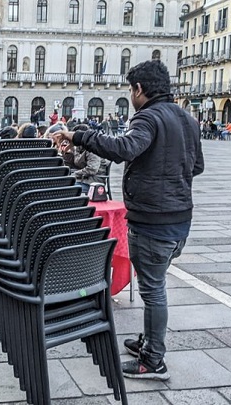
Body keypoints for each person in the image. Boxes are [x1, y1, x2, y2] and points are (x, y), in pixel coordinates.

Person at [53, 60, 204, 381]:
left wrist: (80, 135)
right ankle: (150, 341)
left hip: (153, 219)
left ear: (138, 89)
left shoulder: (148, 117)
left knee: (153, 289)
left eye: (130, 89)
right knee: (155, 284)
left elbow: (124, 148)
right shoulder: (186, 119)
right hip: (180, 218)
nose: (131, 95)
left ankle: (153, 359)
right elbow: (197, 166)